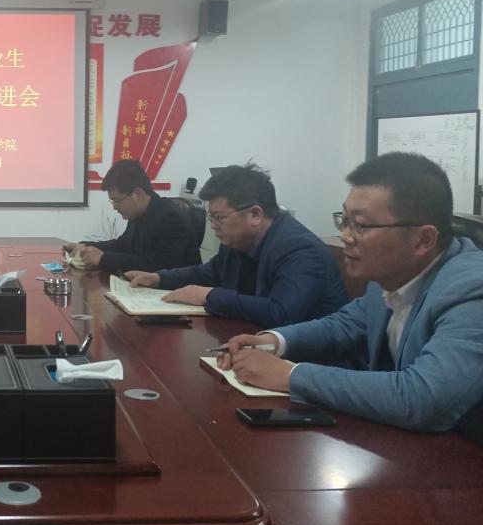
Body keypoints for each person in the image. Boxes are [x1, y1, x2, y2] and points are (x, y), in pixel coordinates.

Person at [219, 152, 483, 441]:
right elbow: (343, 326)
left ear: (423, 240)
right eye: (344, 220)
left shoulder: (472, 289)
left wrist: (290, 376)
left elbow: (423, 399)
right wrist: (274, 341)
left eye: (361, 225)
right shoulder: (390, 275)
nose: (345, 236)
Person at [126, 162, 347, 328]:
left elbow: (280, 312)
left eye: (218, 217)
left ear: (255, 214)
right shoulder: (237, 240)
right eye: (211, 217)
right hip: (253, 343)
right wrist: (159, 278)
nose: (213, 225)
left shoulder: (300, 249)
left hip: (308, 363)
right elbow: (207, 273)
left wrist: (209, 296)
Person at [63, 159, 200, 273]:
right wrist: (85, 246)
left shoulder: (171, 218)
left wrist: (103, 258)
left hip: (178, 292)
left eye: (117, 200)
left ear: (137, 194)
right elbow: (122, 245)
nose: (115, 207)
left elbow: (159, 265)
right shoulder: (139, 213)